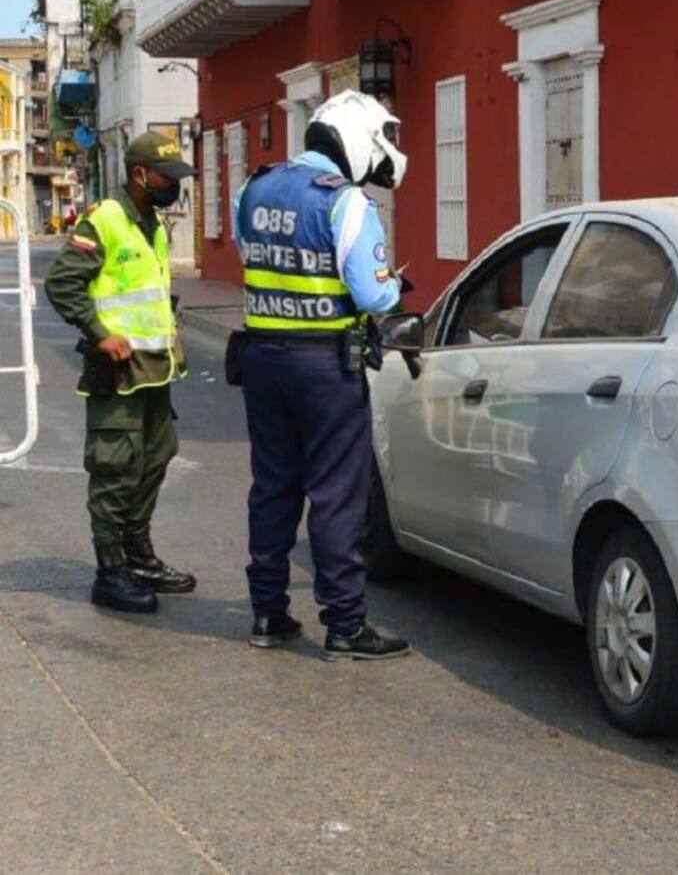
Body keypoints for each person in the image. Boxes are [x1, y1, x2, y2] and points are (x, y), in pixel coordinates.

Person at [232, 90, 411, 660]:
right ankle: (345, 624)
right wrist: (393, 286)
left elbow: (251, 257)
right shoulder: (346, 202)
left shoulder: (252, 189)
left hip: (262, 359)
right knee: (336, 492)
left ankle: (268, 612)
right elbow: (372, 292)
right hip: (324, 364)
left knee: (274, 485)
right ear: (357, 140)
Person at [45, 132, 198, 614]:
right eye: (166, 177)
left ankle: (139, 555)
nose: (174, 185)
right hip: (117, 369)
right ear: (139, 175)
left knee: (156, 456)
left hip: (153, 368)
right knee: (114, 467)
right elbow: (62, 283)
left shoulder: (150, 221)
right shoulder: (105, 220)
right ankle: (110, 572)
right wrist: (97, 332)